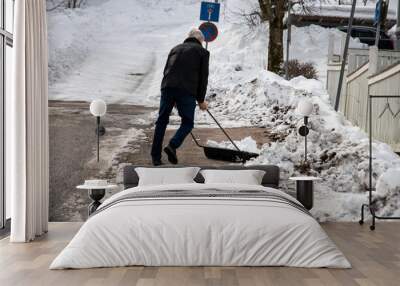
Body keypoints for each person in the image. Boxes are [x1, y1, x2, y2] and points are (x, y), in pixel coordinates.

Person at [150, 28, 210, 166]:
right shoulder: (202, 52)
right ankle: (172, 145)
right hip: (186, 91)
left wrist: (171, 92)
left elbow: (166, 70)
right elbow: (203, 78)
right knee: (188, 122)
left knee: (162, 121)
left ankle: (156, 158)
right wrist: (201, 100)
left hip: (167, 87)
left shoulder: (175, 49)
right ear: (200, 40)